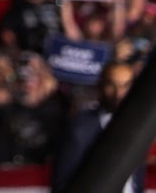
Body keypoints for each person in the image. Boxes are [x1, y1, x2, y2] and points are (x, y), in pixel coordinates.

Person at [50, 60, 147, 193]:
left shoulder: (139, 124)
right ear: (100, 86)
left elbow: (136, 179)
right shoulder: (81, 128)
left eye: (126, 85)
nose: (119, 93)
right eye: (112, 85)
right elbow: (62, 184)